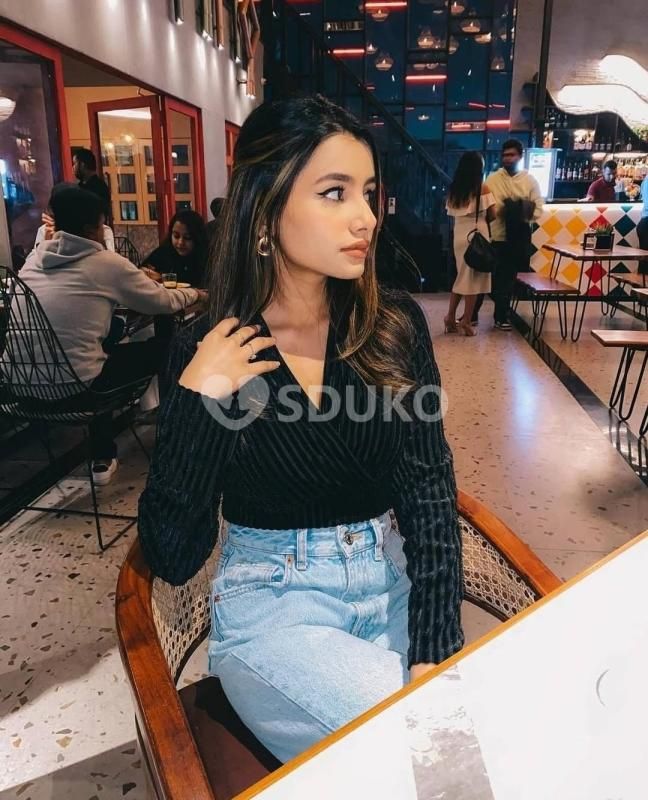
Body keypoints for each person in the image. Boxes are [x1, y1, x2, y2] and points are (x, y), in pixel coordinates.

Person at [138, 95, 463, 764]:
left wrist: (435, 646)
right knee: (425, 754)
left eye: (367, 192)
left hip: (390, 583)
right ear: (266, 209)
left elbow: (429, 494)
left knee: (468, 730)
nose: (365, 217)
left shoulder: (391, 326)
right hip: (274, 608)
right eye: (335, 192)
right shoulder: (211, 346)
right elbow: (172, 554)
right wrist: (199, 400)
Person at [15, 188, 203, 485]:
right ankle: (178, 442)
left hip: (21, 391)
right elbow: (162, 301)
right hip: (77, 391)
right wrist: (198, 295)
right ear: (93, 228)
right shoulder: (104, 262)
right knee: (171, 347)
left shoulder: (32, 261)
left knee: (102, 346)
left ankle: (103, 453)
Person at [474, 139, 543, 330]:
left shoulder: (529, 180)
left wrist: (518, 209)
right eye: (504, 155)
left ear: (520, 156)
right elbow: (485, 206)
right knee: (485, 277)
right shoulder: (493, 179)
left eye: (511, 155)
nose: (507, 159)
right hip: (494, 236)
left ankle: (501, 316)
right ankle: (472, 314)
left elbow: (538, 210)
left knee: (507, 279)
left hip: (516, 239)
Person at [445, 152, 495, 336]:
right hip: (476, 236)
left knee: (462, 278)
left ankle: (450, 317)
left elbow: (451, 213)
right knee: (473, 281)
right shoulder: (482, 188)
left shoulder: (454, 189)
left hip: (459, 235)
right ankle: (466, 321)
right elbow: (493, 214)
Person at [33, 183, 115, 253]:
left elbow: (110, 260)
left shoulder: (100, 229)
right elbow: (37, 261)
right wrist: (47, 242)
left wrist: (97, 238)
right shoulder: (44, 230)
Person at [141, 209, 209, 288]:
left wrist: (162, 278)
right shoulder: (164, 251)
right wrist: (147, 273)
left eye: (187, 237)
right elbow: (142, 270)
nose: (180, 242)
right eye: (176, 236)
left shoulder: (206, 257)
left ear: (198, 238)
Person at [72, 148, 111, 218]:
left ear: (82, 165)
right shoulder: (80, 186)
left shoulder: (98, 188)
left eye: (75, 163)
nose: (73, 167)